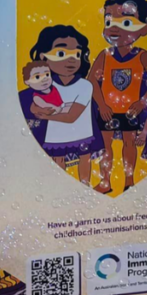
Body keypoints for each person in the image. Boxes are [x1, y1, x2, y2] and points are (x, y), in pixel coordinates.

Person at [87, 0, 147, 193]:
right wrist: (102, 105)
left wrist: (143, 102)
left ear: (144, 28)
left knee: (129, 144)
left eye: (126, 21)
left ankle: (129, 181)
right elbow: (92, 80)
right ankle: (105, 182)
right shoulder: (105, 55)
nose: (114, 27)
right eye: (109, 20)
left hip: (130, 110)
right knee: (106, 147)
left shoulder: (143, 56)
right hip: (108, 111)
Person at [26, 25, 101, 187]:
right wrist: (36, 109)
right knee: (58, 161)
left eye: (77, 54)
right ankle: (61, 188)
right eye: (61, 53)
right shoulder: (45, 84)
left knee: (84, 159)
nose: (72, 59)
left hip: (82, 133)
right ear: (43, 57)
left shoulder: (84, 86)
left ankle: (85, 187)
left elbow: (71, 117)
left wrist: (46, 115)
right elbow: (33, 104)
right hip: (56, 134)